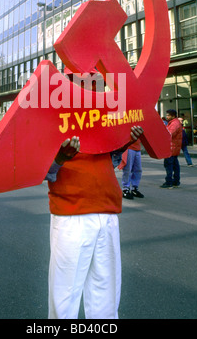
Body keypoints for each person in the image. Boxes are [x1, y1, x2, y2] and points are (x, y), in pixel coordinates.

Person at [45, 124, 144, 319]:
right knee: (65, 295)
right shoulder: (49, 116)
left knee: (107, 292)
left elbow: (109, 159)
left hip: (106, 209)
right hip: (71, 213)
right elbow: (41, 171)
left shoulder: (101, 117)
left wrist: (124, 142)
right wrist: (60, 158)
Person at [161, 109, 182, 188]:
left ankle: (169, 182)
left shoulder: (174, 124)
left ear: (173, 116)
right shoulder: (174, 123)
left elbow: (168, 134)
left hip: (171, 148)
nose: (167, 116)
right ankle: (176, 181)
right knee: (175, 165)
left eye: (168, 115)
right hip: (174, 148)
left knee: (168, 165)